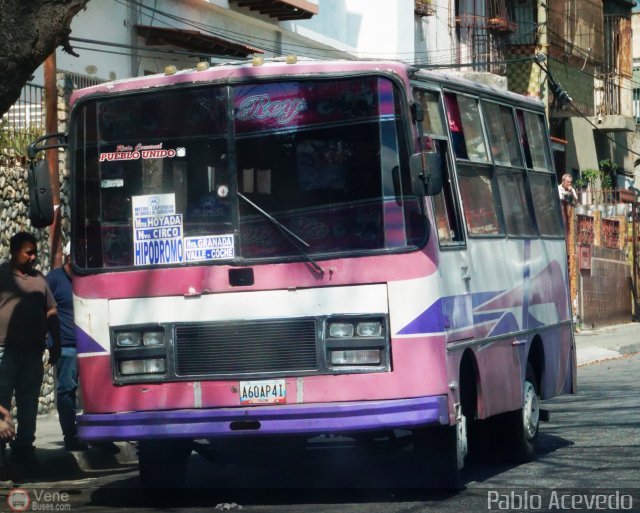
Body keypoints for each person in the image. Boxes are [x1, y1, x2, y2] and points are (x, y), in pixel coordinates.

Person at [0, 231, 61, 468]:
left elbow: (51, 312)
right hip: (4, 351)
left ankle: (24, 450)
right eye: (29, 252)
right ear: (15, 252)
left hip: (33, 352)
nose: (33, 257)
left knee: (28, 404)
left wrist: (57, 343)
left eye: (35, 252)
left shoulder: (39, 280)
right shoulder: (2, 276)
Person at [46, 242, 88, 451]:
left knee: (93, 391)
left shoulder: (88, 277)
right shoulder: (53, 279)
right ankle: (70, 436)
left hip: (91, 346)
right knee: (66, 391)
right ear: (69, 258)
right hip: (66, 347)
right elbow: (43, 308)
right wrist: (50, 342)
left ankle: (101, 436)